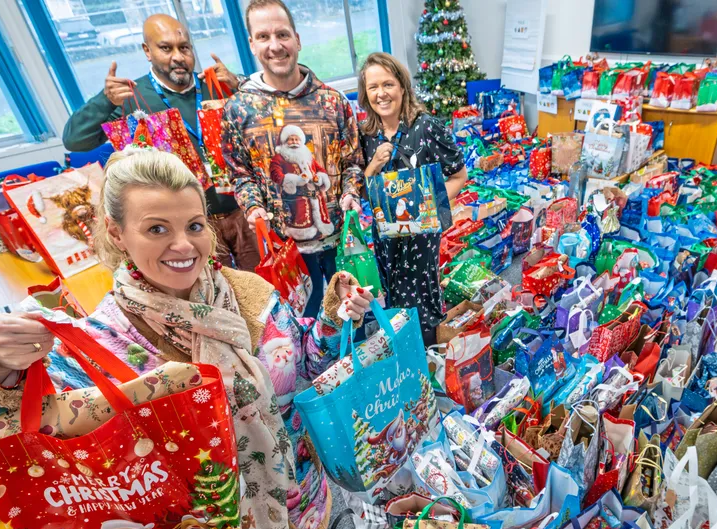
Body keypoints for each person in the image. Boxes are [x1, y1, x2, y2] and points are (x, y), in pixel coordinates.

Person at [0, 149, 371, 529]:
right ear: (116, 234)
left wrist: (334, 321)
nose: (184, 245)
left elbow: (307, 364)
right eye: (157, 229)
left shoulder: (249, 292)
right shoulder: (97, 350)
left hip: (298, 491)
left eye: (194, 225)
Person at [61, 14, 260, 272]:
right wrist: (105, 101)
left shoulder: (215, 85)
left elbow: (264, 123)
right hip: (188, 226)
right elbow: (74, 140)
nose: (178, 56)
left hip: (241, 211)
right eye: (166, 48)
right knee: (212, 294)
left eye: (184, 48)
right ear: (147, 51)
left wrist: (239, 87)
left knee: (264, 287)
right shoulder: (131, 98)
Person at [222, 0, 365, 319]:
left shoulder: (333, 102)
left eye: (282, 34)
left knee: (353, 306)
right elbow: (240, 174)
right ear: (251, 44)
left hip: (338, 234)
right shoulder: (238, 110)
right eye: (263, 36)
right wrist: (252, 206)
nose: (274, 45)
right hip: (287, 247)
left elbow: (352, 161)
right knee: (308, 315)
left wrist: (350, 193)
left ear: (297, 40)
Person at [356, 52, 468, 346]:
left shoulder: (426, 127)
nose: (381, 93)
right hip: (384, 234)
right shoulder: (367, 134)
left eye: (388, 84)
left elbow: (459, 175)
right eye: (373, 87)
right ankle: (404, 352)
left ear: (402, 87)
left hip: (420, 235)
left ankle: (429, 353)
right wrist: (373, 167)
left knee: (422, 296)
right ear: (366, 94)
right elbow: (366, 190)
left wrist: (430, 205)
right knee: (392, 294)